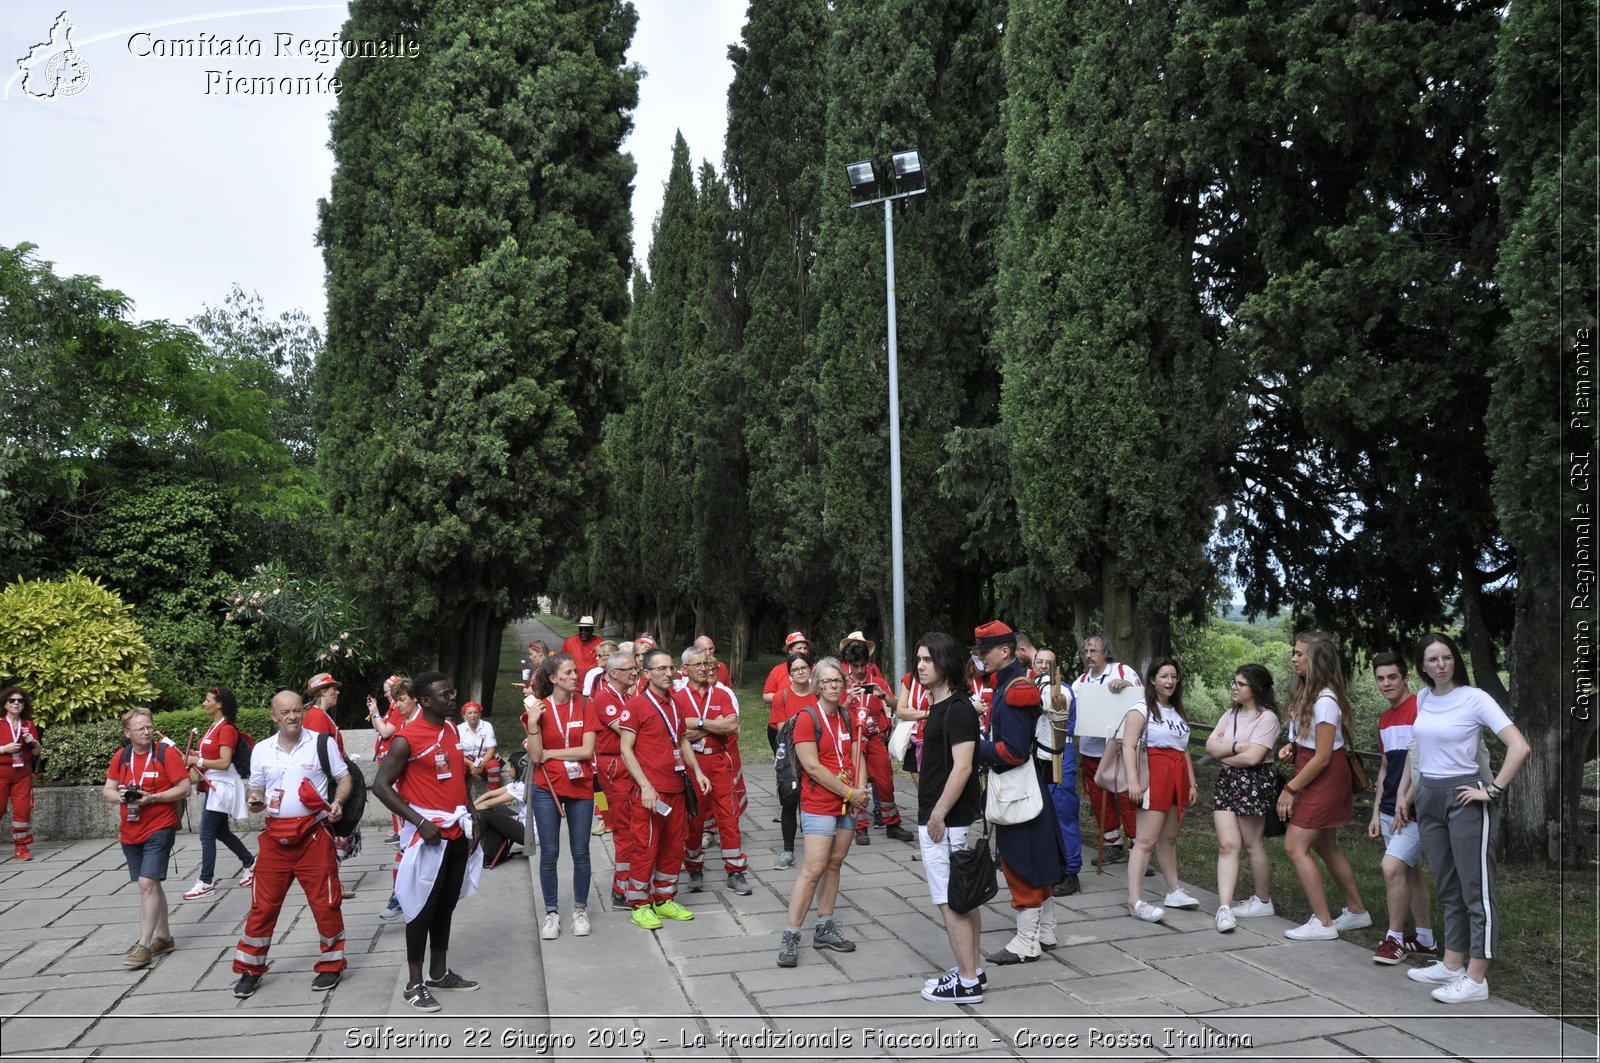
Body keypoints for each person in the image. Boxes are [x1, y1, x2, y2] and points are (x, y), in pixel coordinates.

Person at [1397, 632, 1531, 1004]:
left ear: (1455, 660)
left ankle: (1476, 978)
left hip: (1465, 798)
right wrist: (1408, 794)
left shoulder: (1475, 698)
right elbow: (1418, 751)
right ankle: (1451, 963)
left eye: (1447, 657)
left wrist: (1492, 791)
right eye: (1433, 659)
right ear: (1422, 666)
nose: (1441, 664)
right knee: (1447, 886)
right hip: (1429, 797)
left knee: (1477, 890)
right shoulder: (1423, 698)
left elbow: (1519, 747)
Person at [372, 671, 482, 1013]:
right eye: (444, 693)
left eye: (451, 691)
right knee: (421, 908)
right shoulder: (407, 738)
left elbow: (459, 776)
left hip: (455, 831)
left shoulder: (451, 729)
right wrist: (419, 821)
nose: (452, 697)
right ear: (424, 701)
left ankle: (438, 972)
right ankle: (413, 983)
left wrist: (473, 813)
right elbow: (380, 786)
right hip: (428, 836)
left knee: (446, 904)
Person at [232, 690, 352, 999]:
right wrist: (254, 800)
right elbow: (256, 790)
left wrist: (337, 802)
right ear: (274, 716)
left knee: (326, 903)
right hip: (274, 840)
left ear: (304, 711)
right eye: (285, 712)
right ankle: (250, 969)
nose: (292, 716)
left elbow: (344, 778)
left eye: (297, 710)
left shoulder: (321, 743)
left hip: (314, 835)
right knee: (262, 906)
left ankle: (331, 965)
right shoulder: (260, 750)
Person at [973, 621, 1064, 963]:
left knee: (1021, 863)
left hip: (1018, 789)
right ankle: (1046, 929)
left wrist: (975, 747)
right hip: (1027, 788)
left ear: (1005, 651)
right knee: (1037, 859)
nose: (981, 657)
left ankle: (1027, 942)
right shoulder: (1009, 685)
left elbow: (1012, 751)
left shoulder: (1013, 691)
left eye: (985, 651)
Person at [1275, 632, 1371, 940]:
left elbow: (1324, 757)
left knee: (1294, 846)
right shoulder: (1308, 695)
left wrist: (1289, 788)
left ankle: (1323, 922)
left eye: (1300, 654)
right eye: (1294, 653)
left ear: (1316, 661)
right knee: (1325, 846)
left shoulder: (1326, 701)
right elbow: (1311, 745)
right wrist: (1293, 746)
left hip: (1323, 777)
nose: (1294, 658)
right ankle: (1357, 912)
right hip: (1311, 770)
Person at [776, 657, 867, 967]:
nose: (832, 686)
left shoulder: (845, 715)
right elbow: (812, 767)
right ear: (816, 685)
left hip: (847, 803)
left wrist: (861, 793)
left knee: (835, 864)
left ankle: (825, 927)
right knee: (813, 868)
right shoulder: (806, 718)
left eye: (837, 681)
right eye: (826, 681)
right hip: (820, 804)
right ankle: (790, 935)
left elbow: (858, 754)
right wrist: (851, 792)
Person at [913, 633, 985, 1004]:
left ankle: (967, 982)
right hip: (943, 816)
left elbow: (962, 769)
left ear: (946, 663)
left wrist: (938, 814)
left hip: (946, 820)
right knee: (962, 897)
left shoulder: (957, 709)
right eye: (919, 659)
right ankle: (972, 968)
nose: (920, 665)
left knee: (950, 899)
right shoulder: (941, 706)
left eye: (928, 659)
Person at [618, 648, 710, 929]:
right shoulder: (636, 706)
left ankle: (664, 898)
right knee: (646, 846)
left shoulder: (676, 703)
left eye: (671, 668)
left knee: (673, 845)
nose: (669, 673)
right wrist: (645, 786)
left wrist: (698, 770)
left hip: (676, 788)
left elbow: (682, 741)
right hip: (651, 793)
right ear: (646, 673)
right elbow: (626, 750)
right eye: (662, 669)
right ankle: (639, 904)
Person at [102, 707, 190, 969]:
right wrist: (120, 795)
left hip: (159, 827)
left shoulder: (166, 753)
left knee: (146, 883)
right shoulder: (122, 756)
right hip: (130, 829)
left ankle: (143, 944)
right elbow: (106, 790)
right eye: (140, 728)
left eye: (149, 726)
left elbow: (184, 787)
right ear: (127, 733)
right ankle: (164, 937)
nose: (147, 732)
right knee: (151, 885)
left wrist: (153, 798)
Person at [1368, 652, 1439, 964]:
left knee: (1391, 867)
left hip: (1415, 810)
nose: (1386, 683)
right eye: (1381, 678)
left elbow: (1424, 764)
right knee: (1410, 873)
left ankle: (1394, 939)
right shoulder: (1384, 718)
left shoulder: (1420, 709)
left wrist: (1406, 801)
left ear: (1406, 677)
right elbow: (1386, 768)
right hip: (1387, 809)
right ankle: (1425, 939)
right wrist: (1375, 812)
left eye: (1392, 677)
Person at [1119, 657, 1200, 923]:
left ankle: (1174, 890)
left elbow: (1183, 748)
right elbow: (1128, 745)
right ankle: (1135, 900)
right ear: (1153, 679)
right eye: (1164, 676)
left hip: (1176, 778)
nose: (1170, 682)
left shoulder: (1176, 711)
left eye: (1174, 676)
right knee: (1145, 841)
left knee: (1168, 838)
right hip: (1154, 776)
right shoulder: (1141, 708)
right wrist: (1133, 781)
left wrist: (1191, 781)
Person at [525, 652, 597, 940]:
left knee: (581, 852)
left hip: (580, 788)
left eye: (576, 672)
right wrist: (532, 724)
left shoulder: (586, 705)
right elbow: (534, 755)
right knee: (550, 853)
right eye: (568, 673)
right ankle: (551, 912)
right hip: (547, 788)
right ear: (554, 678)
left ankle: (580, 910)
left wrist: (551, 753)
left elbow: (587, 751)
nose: (574, 677)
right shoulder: (539, 709)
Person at [1203, 664, 1281, 932]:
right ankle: (1224, 907)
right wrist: (1234, 747)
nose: (1234, 687)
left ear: (1256, 688)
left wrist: (1223, 755)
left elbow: (1254, 758)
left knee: (1252, 843)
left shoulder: (1267, 718)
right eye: (1233, 682)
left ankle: (1262, 900)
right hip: (1227, 780)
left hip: (1254, 782)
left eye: (1240, 684)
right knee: (1227, 844)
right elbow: (1210, 746)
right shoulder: (1230, 714)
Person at [677, 646, 752, 896]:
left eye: (706, 664)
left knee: (728, 818)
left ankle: (735, 870)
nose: (703, 668)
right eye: (697, 664)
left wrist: (699, 724)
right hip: (691, 764)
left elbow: (732, 724)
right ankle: (694, 868)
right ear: (685, 668)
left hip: (719, 762)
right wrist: (714, 726)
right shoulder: (676, 697)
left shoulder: (722, 693)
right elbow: (679, 733)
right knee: (694, 820)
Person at [1072, 634, 1142, 866]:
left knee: (1126, 800)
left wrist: (1127, 686)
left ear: (1106, 653)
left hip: (1119, 750)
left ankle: (1138, 850)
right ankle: (1113, 845)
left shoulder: (1122, 671)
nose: (1089, 655)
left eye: (1094, 650)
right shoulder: (1081, 681)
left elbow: (1141, 700)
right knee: (1098, 799)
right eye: (1087, 651)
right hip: (1091, 750)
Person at [181, 686, 256, 899]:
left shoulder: (227, 729)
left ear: (219, 704)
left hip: (222, 786)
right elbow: (211, 756)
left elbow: (223, 762)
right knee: (220, 832)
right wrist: (196, 755)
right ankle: (250, 863)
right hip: (215, 785)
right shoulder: (215, 726)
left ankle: (205, 881)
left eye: (207, 700)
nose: (204, 704)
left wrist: (198, 760)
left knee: (206, 833)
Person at [842, 638, 912, 844]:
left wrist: (883, 696)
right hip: (854, 739)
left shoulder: (877, 682)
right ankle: (860, 826)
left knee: (885, 781)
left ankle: (892, 823)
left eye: (863, 665)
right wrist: (848, 700)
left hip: (874, 737)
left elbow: (898, 705)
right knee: (858, 782)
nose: (860, 670)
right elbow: (835, 712)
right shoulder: (843, 683)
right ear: (849, 665)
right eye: (855, 666)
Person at [589, 649, 641, 901]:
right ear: (613, 673)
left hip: (627, 766)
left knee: (634, 825)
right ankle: (621, 887)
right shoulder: (604, 699)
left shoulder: (624, 695)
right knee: (623, 827)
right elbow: (627, 730)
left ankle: (634, 878)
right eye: (629, 669)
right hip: (616, 769)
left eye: (635, 668)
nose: (635, 672)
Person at [1034, 649, 1082, 897]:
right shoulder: (1032, 685)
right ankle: (1050, 866)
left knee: (1063, 812)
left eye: (1048, 663)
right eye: (1039, 662)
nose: (1043, 666)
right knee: (1042, 815)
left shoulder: (1061, 691)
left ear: (1056, 667)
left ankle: (1071, 871)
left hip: (1060, 754)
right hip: (1039, 757)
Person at [304, 672, 356, 897]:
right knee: (332, 835)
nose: (337, 692)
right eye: (333, 688)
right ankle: (331, 885)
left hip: (330, 781)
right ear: (322, 692)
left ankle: (332, 883)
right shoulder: (316, 717)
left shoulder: (321, 715)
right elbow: (318, 753)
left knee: (334, 836)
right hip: (327, 784)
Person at [768, 652, 816, 868]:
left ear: (811, 669)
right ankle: (788, 850)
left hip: (816, 753)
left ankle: (816, 845)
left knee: (812, 801)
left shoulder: (818, 693)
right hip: (791, 755)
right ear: (789, 674)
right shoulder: (782, 696)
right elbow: (781, 729)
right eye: (795, 669)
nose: (800, 672)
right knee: (789, 801)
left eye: (803, 668)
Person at [0, 687, 42, 860]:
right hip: (1, 772)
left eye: (20, 701)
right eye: (12, 701)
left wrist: (34, 743)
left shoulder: (28, 725)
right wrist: (4, 749)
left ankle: (21, 847)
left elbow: (36, 753)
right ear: (5, 704)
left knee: (23, 811)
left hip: (22, 773)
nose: (16, 703)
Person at [475, 754, 529, 868]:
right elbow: (490, 794)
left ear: (519, 769)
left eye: (511, 766)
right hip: (523, 822)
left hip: (528, 834)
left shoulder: (522, 787)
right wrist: (473, 805)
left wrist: (470, 810)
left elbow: (490, 803)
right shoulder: (517, 783)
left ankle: (479, 852)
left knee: (485, 813)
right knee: (496, 809)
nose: (508, 769)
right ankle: (489, 852)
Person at [457, 700, 499, 797]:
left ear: (479, 714)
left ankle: (493, 793)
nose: (473, 715)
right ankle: (461, 795)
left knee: (494, 766)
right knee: (458, 768)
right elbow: (457, 752)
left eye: (476, 712)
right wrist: (471, 764)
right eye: (470, 713)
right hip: (466, 760)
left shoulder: (487, 726)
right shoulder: (459, 729)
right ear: (464, 715)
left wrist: (481, 764)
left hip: (484, 759)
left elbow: (491, 749)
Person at [762, 632, 811, 706]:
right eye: (799, 648)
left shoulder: (815, 668)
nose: (803, 651)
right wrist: (787, 697)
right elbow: (766, 697)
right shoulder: (777, 670)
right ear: (789, 650)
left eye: (805, 648)